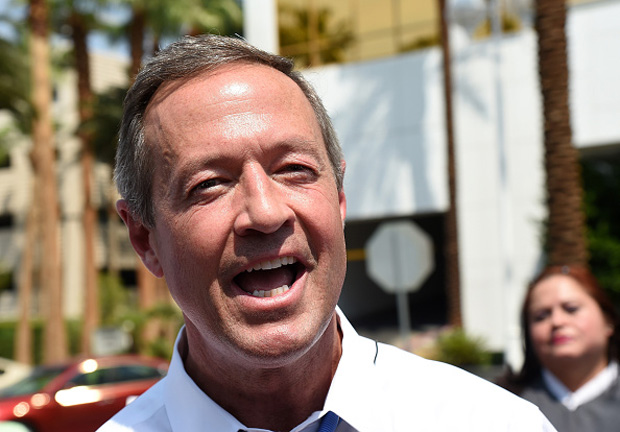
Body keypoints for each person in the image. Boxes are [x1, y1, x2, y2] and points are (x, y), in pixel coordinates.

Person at [98, 34, 556, 432]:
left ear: (339, 199)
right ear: (144, 239)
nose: (265, 212)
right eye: (210, 185)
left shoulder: (493, 424)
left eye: (294, 170)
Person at [497, 265, 620, 431]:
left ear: (608, 320)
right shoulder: (504, 405)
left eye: (571, 309)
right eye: (541, 316)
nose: (557, 321)